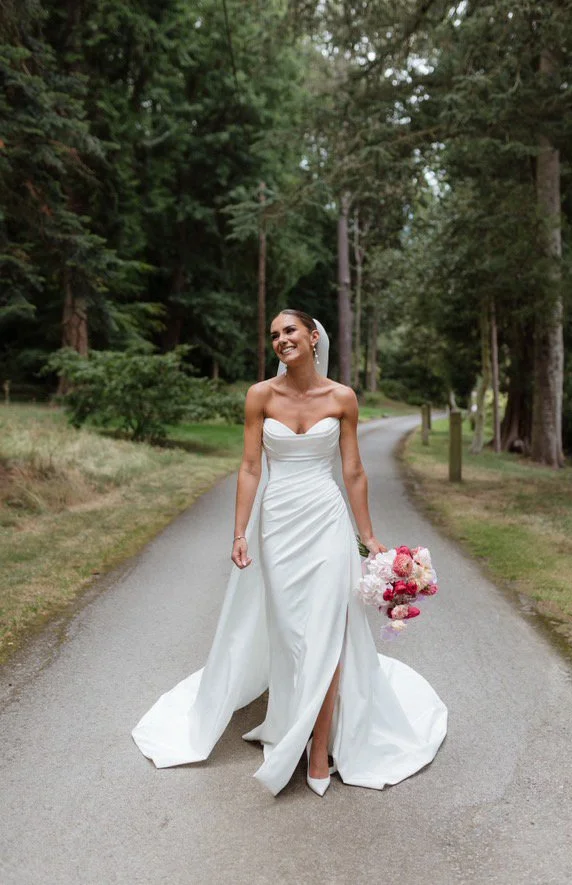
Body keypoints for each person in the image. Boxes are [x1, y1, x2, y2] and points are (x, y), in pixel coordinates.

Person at [132, 310, 447, 797]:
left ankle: (319, 746)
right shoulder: (260, 395)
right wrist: (240, 532)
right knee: (289, 629)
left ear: (314, 336)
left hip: (326, 522)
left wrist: (368, 535)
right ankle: (289, 716)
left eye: (290, 331)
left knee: (329, 628)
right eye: (275, 335)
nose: (281, 340)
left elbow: (355, 471)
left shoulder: (342, 397)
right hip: (276, 525)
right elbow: (250, 467)